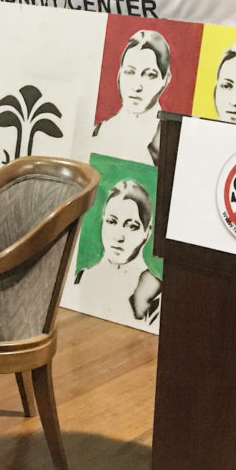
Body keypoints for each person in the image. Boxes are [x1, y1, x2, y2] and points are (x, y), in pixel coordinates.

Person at [71, 179, 159, 328]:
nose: (118, 237)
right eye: (112, 222)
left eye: (132, 226)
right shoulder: (81, 278)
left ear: (147, 232)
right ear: (103, 222)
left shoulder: (155, 291)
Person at [92, 30, 171, 164]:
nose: (136, 86)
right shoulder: (100, 131)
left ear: (165, 79)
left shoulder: (167, 140)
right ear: (119, 75)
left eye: (150, 74)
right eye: (129, 72)